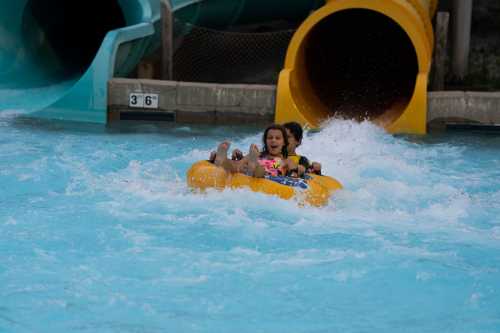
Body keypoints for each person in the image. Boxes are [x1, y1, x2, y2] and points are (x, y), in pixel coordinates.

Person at [212, 124, 298, 178]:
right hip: (254, 164)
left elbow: (295, 175)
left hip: (268, 171)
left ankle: (254, 166)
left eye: (277, 138)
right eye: (270, 138)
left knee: (269, 167)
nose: (273, 140)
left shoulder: (285, 161)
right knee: (237, 165)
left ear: (284, 142)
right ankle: (222, 159)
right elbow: (238, 164)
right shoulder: (256, 154)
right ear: (266, 141)